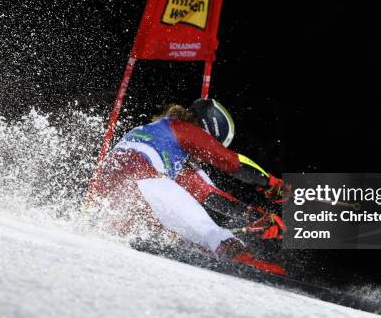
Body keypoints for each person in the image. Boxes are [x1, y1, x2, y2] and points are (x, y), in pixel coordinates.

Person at [94, 98, 289, 275]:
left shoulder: (162, 140)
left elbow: (209, 195)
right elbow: (232, 162)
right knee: (212, 234)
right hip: (141, 178)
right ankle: (242, 260)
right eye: (212, 142)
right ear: (207, 132)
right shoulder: (181, 128)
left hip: (113, 195)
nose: (203, 159)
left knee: (175, 233)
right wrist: (271, 182)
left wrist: (256, 217)